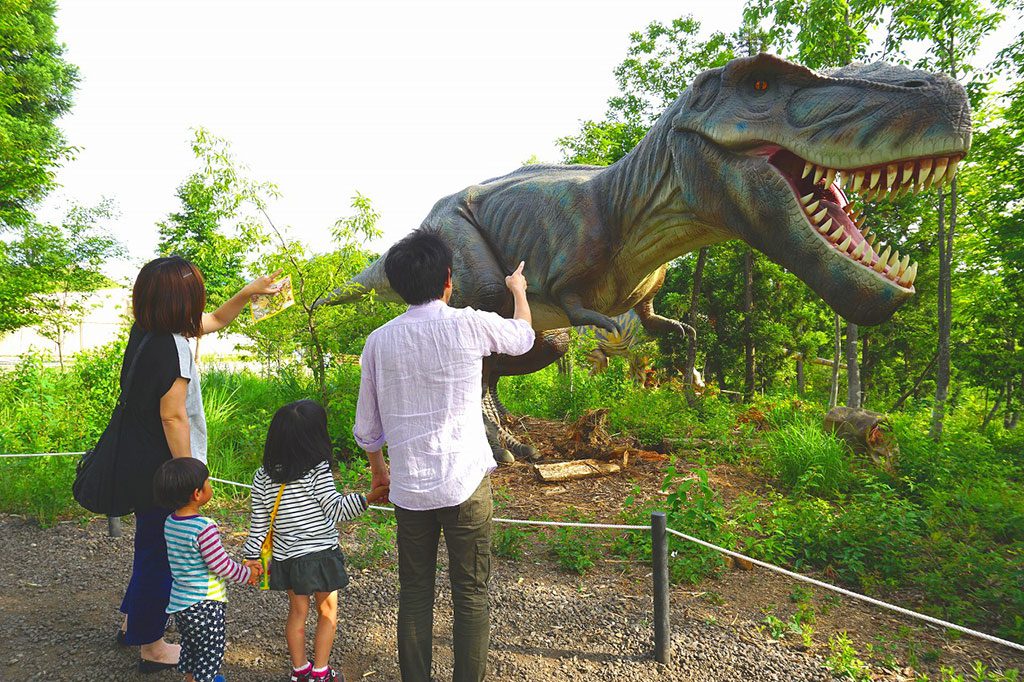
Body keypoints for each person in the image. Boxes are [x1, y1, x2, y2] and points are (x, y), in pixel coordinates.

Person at [353, 229, 535, 682]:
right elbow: (524, 337)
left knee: (414, 592)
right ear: (448, 279)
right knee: (471, 593)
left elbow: (368, 429)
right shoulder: (467, 323)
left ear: (397, 286)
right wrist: (518, 291)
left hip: (410, 490)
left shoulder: (379, 341)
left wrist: (381, 475)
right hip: (466, 483)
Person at [115, 255, 281, 673]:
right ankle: (152, 645)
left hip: (141, 464)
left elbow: (213, 321)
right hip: (166, 472)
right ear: (181, 299)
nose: (200, 301)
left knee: (151, 546)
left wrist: (247, 294)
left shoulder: (149, 331)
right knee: (162, 556)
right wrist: (191, 474)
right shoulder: (173, 347)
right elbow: (174, 416)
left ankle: (133, 622)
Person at [243, 400, 382, 682]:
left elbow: (259, 522)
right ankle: (321, 672)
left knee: (297, 613)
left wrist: (251, 556)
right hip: (320, 556)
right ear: (315, 437)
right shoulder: (317, 470)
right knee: (327, 611)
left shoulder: (262, 476)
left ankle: (300, 671)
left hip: (287, 558)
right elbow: (337, 509)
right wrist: (368, 498)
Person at [153, 458, 258, 682]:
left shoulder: (170, 522)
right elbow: (220, 565)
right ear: (197, 494)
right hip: (205, 604)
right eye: (207, 482)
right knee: (211, 653)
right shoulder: (204, 527)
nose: (211, 486)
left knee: (191, 648)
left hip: (181, 604)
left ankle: (190, 678)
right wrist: (247, 574)